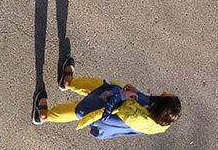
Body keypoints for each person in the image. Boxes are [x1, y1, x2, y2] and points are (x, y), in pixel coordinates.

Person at [32, 56, 181, 138]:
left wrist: (123, 95)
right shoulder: (158, 121)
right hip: (108, 99)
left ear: (160, 104)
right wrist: (137, 93)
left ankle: (44, 116)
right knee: (96, 86)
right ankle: (68, 83)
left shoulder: (134, 115)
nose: (163, 92)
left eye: (163, 96)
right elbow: (145, 101)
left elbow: (106, 115)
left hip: (104, 105)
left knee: (78, 110)